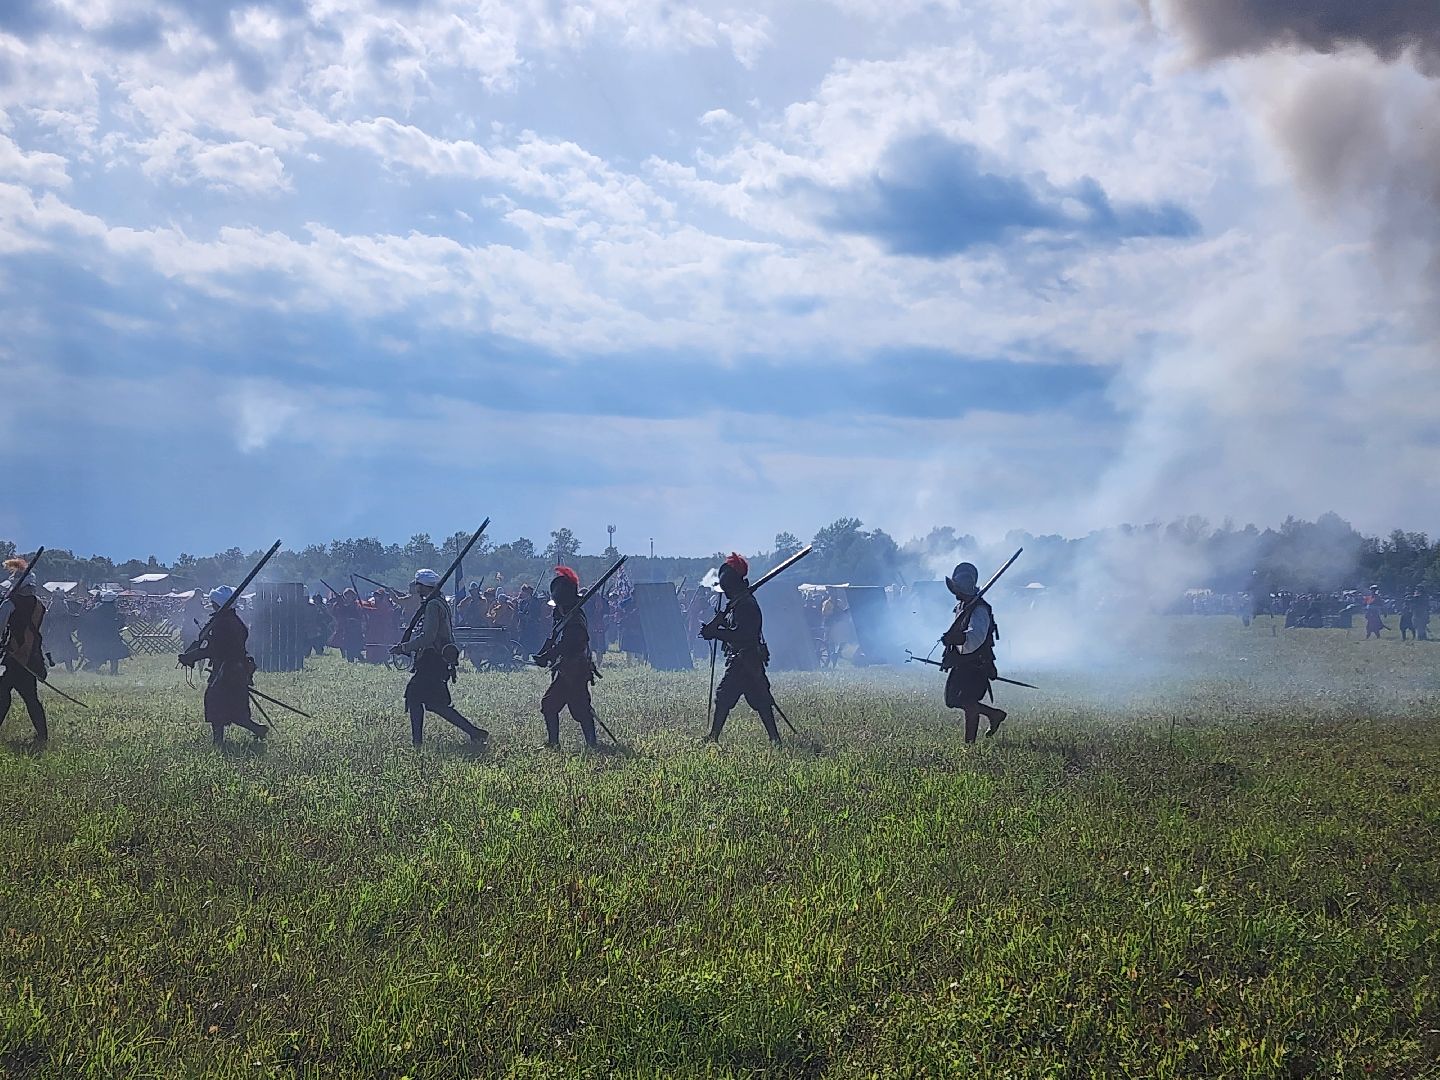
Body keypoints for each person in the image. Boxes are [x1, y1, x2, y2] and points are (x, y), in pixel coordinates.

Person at [392, 569, 487, 748]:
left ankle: (417, 744)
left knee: (416, 697)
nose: (415, 587)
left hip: (432, 659)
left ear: (423, 586)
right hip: (434, 659)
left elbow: (428, 637)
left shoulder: (433, 605)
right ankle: (474, 733)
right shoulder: (436, 602)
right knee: (434, 703)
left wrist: (404, 647)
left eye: (417, 584)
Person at [701, 553, 781, 745]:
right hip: (743, 658)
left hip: (745, 658)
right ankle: (774, 738)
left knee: (724, 696)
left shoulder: (745, 604)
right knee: (760, 699)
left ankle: (714, 737)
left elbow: (743, 635)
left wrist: (717, 633)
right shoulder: (739, 602)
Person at [178, 586, 267, 748]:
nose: (211, 604)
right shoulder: (228, 620)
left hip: (228, 671)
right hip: (231, 669)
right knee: (229, 708)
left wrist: (193, 656)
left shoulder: (224, 623)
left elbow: (216, 649)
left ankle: (221, 741)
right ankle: (254, 731)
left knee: (219, 706)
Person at [939, 561, 1007, 744]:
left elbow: (975, 639)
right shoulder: (963, 605)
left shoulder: (979, 609)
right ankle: (994, 714)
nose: (955, 594)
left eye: (958, 590)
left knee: (968, 701)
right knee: (952, 699)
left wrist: (956, 639)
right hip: (963, 662)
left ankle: (969, 744)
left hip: (976, 663)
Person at [533, 566, 598, 750]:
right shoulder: (563, 615)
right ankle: (554, 743)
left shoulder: (574, 618)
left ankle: (591, 744)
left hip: (575, 669)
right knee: (550, 705)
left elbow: (572, 643)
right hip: (567, 669)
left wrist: (549, 655)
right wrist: (543, 654)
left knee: (579, 710)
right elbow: (553, 639)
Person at [0, 559, 49, 746]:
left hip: (14, 657)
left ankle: (43, 736)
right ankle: (43, 735)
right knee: (30, 697)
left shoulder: (9, 604)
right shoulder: (39, 605)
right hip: (30, 657)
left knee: (3, 693)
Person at [79, 591, 129, 674]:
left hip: (100, 636)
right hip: (109, 635)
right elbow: (113, 622)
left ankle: (91, 668)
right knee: (113, 655)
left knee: (102, 655)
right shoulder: (111, 609)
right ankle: (113, 671)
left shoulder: (98, 608)